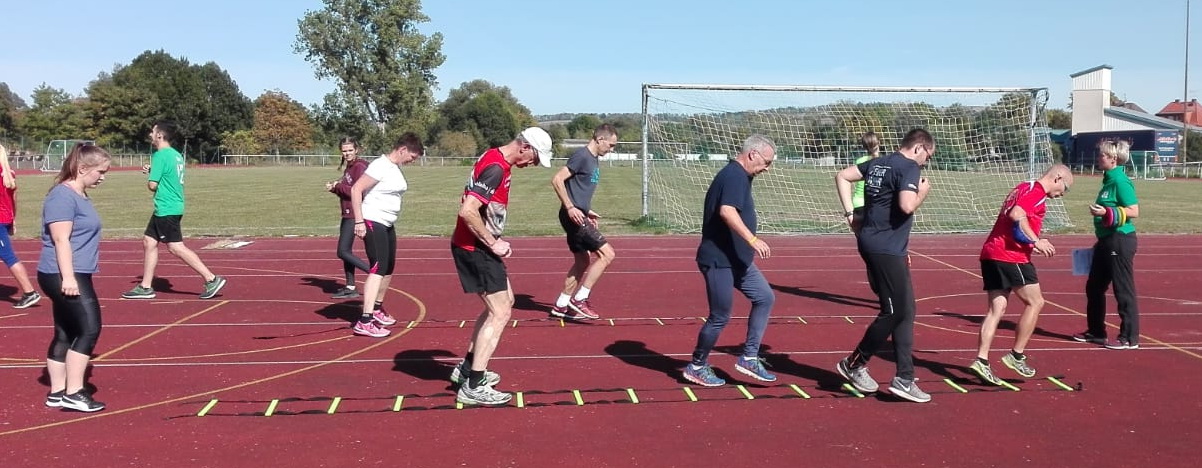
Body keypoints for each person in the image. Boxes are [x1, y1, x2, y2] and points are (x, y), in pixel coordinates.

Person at [448, 127, 553, 406]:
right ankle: (473, 386)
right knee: (501, 312)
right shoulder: (496, 167)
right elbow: (468, 210)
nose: (533, 165)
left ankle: (468, 369)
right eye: (535, 158)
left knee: (506, 301)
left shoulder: (495, 157)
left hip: (478, 244)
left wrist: (492, 237)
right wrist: (492, 243)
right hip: (475, 248)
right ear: (525, 147)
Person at [833, 128, 934, 403]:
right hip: (884, 249)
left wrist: (850, 214)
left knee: (906, 309)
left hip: (883, 246)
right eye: (927, 156)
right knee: (893, 311)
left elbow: (842, 176)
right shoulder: (909, 167)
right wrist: (922, 191)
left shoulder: (878, 163)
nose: (925, 163)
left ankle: (904, 376)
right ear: (919, 148)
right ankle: (854, 363)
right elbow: (907, 205)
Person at [682, 135, 778, 387]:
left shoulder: (742, 176)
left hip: (736, 259)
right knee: (720, 316)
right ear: (752, 154)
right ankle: (697, 365)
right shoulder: (734, 175)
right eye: (766, 162)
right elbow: (727, 210)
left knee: (765, 297)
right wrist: (752, 239)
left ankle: (749, 356)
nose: (767, 168)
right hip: (718, 260)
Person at [969, 165, 1073, 385]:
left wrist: (1029, 241)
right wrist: (1036, 240)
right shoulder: (1036, 193)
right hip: (1010, 257)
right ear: (1057, 178)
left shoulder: (1023, 187)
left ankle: (981, 360)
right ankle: (1016, 355)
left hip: (991, 252)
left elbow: (1013, 219)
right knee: (1036, 302)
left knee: (996, 309)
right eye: (1066, 187)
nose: (1063, 193)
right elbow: (1017, 214)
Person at [39, 143, 112, 412]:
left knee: (65, 332)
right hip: (63, 273)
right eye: (100, 171)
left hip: (71, 272)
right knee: (89, 329)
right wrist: (68, 278)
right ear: (82, 169)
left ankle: (57, 392)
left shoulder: (77, 195)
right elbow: (60, 239)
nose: (103, 177)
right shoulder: (62, 196)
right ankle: (74, 392)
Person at [121, 120, 227, 300]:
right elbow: (168, 175)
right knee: (149, 241)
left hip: (166, 207)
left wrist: (151, 177)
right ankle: (145, 286)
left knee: (175, 247)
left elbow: (152, 185)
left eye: (152, 132)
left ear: (160, 135)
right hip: (172, 205)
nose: (150, 135)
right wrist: (154, 170)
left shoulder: (160, 155)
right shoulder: (176, 155)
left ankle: (211, 278)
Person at [347, 133, 424, 338]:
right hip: (373, 220)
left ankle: (377, 307)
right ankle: (365, 320)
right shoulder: (380, 166)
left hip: (387, 223)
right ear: (402, 150)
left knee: (388, 266)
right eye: (412, 157)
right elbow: (356, 189)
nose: (412, 161)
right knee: (377, 268)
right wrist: (359, 221)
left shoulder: (393, 168)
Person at [1074, 140, 1142, 350]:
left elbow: (1134, 211)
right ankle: (1096, 332)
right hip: (1106, 240)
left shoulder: (1120, 181)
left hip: (1120, 239)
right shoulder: (1108, 181)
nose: (1098, 157)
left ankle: (1129, 338)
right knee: (1094, 287)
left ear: (1113, 159)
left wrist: (1106, 213)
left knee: (1123, 289)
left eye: (1102, 155)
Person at [549, 123, 619, 320]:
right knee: (607, 254)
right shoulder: (582, 156)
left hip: (579, 214)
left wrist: (586, 211)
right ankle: (580, 299)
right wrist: (571, 207)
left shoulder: (593, 159)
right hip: (573, 215)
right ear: (600, 139)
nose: (612, 149)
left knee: (582, 261)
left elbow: (578, 188)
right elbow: (557, 179)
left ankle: (561, 305)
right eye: (611, 145)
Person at [326, 137, 371, 299]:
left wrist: (337, 186)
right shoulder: (350, 167)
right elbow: (347, 189)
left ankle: (372, 273)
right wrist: (335, 188)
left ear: (356, 150)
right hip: (347, 212)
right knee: (347, 251)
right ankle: (350, 286)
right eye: (344, 151)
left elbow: (355, 190)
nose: (347, 153)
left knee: (343, 251)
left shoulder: (359, 166)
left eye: (350, 150)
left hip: (355, 213)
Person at [0, 143, 41, 308]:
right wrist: (12, 219)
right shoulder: (9, 174)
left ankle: (30, 292)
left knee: (8, 256)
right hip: (5, 217)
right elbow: (13, 199)